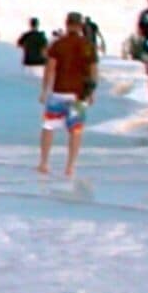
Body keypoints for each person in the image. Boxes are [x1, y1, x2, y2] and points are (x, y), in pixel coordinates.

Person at [40, 14, 98, 177]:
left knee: (49, 127)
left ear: (66, 25)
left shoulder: (58, 44)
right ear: (80, 26)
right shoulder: (87, 45)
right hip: (79, 94)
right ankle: (70, 166)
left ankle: (44, 163)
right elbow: (93, 71)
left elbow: (50, 68)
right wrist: (92, 92)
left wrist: (44, 91)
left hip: (59, 91)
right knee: (75, 130)